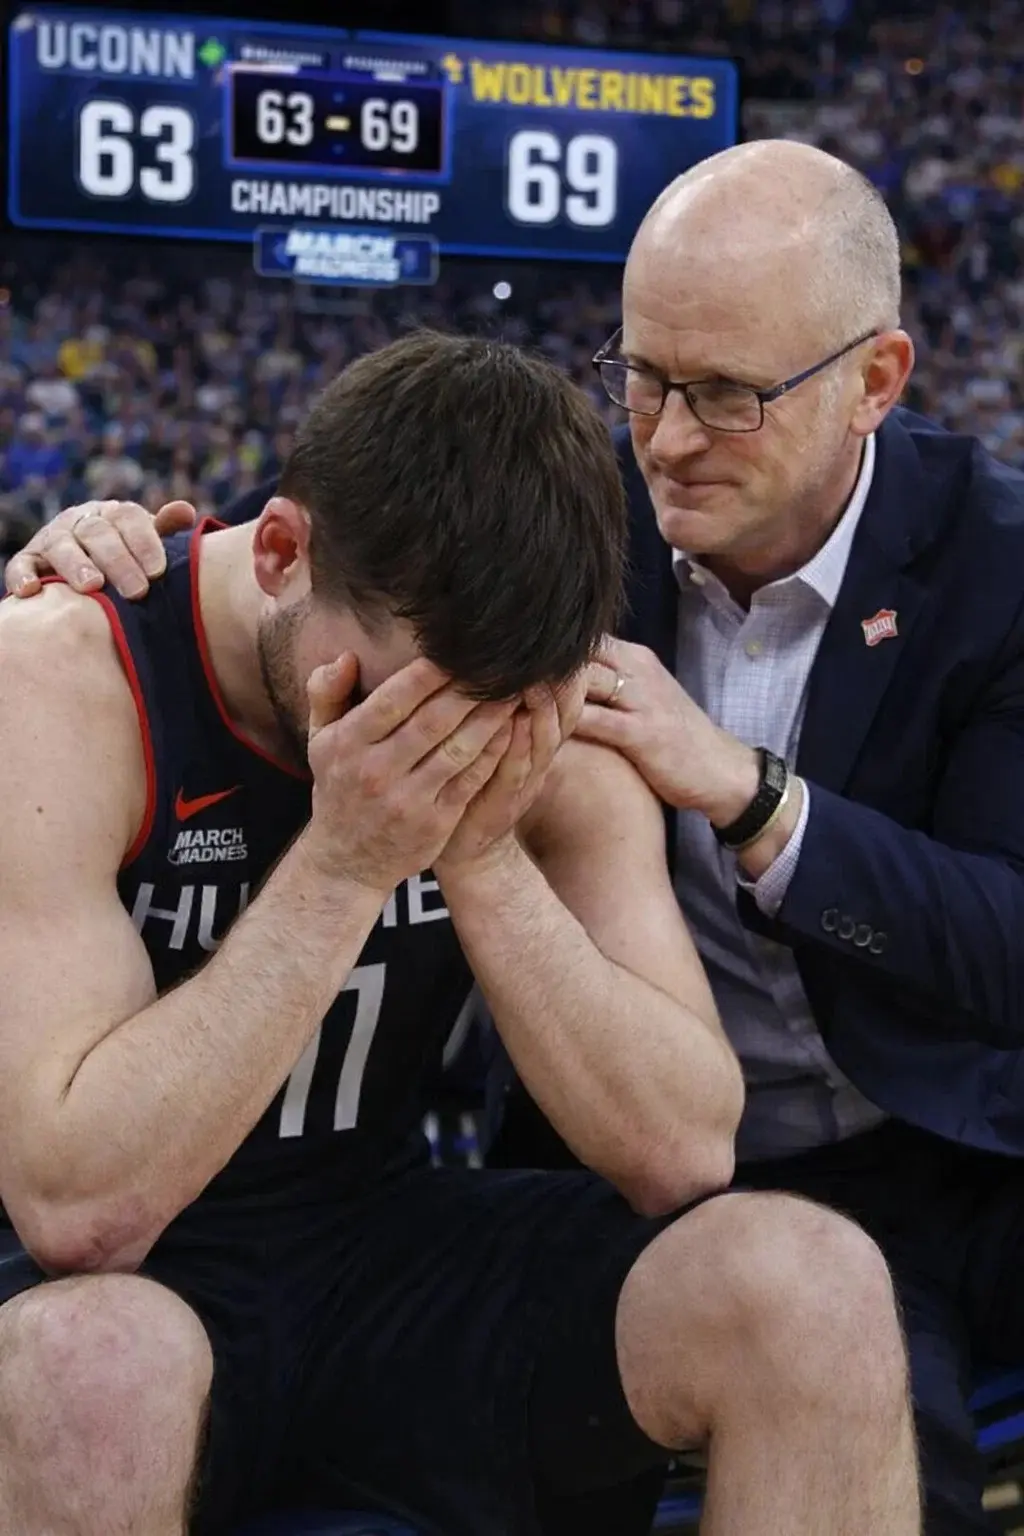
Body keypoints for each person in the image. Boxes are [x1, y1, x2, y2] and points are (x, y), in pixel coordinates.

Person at [0, 329, 920, 1536]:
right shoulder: (58, 680)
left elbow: (682, 1145)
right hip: (114, 1280)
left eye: (495, 712)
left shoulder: (533, 693)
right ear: (281, 554)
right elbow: (77, 1211)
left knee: (811, 1286)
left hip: (380, 1241)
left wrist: (481, 855)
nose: (452, 746)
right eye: (411, 700)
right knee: (95, 1370)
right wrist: (343, 865)